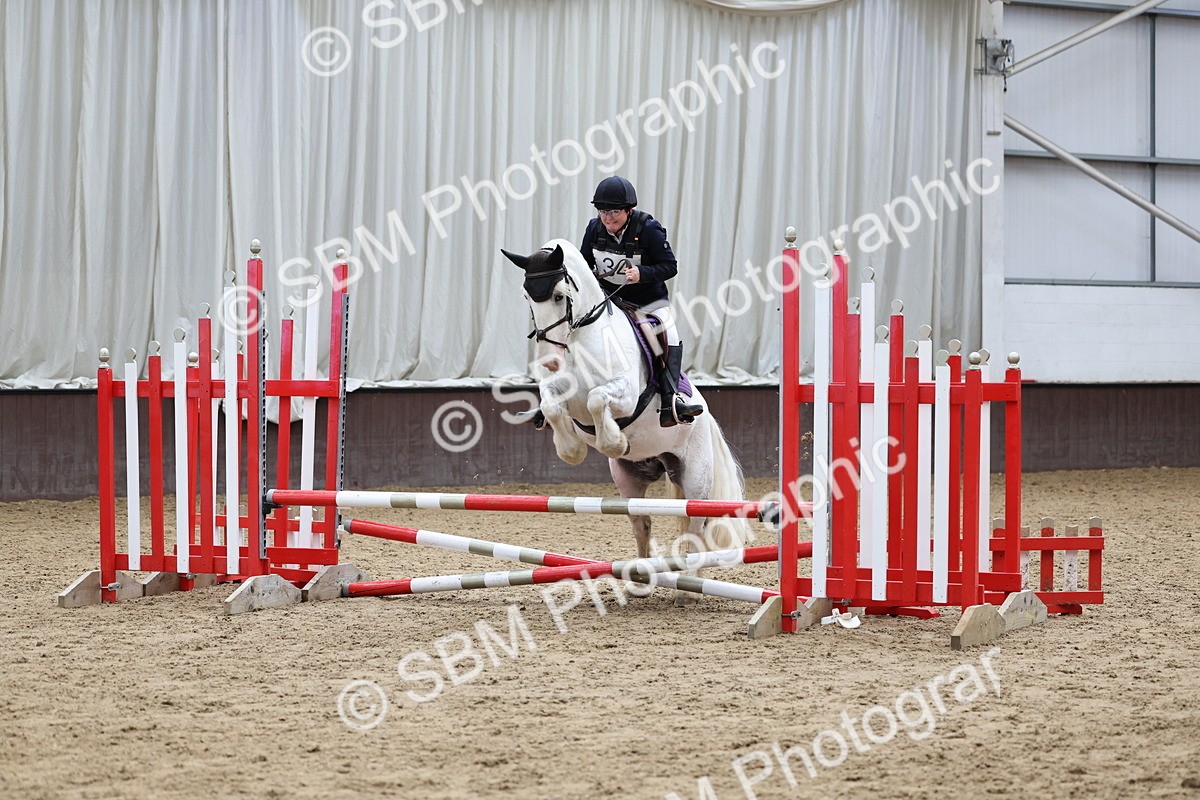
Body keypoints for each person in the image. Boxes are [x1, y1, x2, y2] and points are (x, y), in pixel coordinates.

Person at [580, 175, 703, 427]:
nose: (607, 218)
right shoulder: (594, 228)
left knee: (670, 333)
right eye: (602, 211)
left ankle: (672, 399)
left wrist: (642, 273)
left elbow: (670, 266)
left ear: (629, 210)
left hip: (647, 301)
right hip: (610, 301)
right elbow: (583, 264)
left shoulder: (649, 229)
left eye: (614, 212)